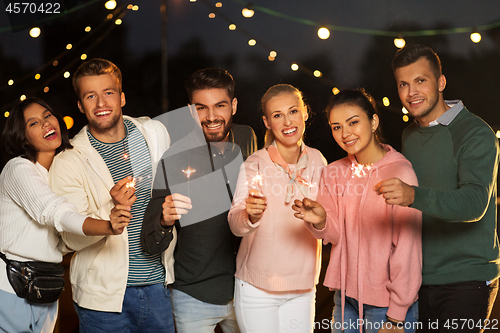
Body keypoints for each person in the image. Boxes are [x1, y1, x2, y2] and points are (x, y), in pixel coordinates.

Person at [375, 44, 500, 333]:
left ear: (441, 82)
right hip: (419, 278)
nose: (411, 92)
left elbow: (475, 202)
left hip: (466, 278)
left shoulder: (474, 132)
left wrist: (413, 195)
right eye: (403, 84)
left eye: (421, 80)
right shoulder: (409, 135)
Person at [48, 59, 175, 333]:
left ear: (122, 97)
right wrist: (111, 211)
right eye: (90, 96)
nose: (100, 103)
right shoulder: (70, 160)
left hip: (158, 287)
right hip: (102, 299)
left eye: (108, 93)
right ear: (80, 106)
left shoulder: (154, 135)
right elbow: (69, 238)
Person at [292, 89, 421, 333]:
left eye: (353, 122)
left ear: (373, 121)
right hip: (345, 299)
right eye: (336, 126)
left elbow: (408, 249)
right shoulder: (333, 172)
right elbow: (333, 235)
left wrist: (396, 317)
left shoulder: (400, 173)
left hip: (387, 306)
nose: (345, 134)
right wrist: (321, 221)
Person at [0, 97, 130, 333]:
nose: (46, 123)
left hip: (46, 284)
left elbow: (65, 240)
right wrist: (108, 226)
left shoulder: (58, 174)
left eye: (47, 115)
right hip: (10, 285)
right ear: (22, 136)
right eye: (33, 123)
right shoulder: (19, 168)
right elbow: (56, 212)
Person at [142, 68, 257, 333]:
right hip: (193, 294)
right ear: (190, 110)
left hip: (246, 290)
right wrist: (163, 218)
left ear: (234, 105)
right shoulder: (173, 158)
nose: (212, 116)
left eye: (220, 106)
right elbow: (149, 242)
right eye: (201, 108)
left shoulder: (247, 138)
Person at [228, 84, 326, 333]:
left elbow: (327, 224)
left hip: (303, 288)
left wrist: (321, 220)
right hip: (257, 289)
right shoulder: (255, 163)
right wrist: (250, 215)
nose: (287, 121)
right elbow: (234, 223)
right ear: (267, 122)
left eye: (293, 111)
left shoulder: (318, 160)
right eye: (277, 115)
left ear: (305, 112)